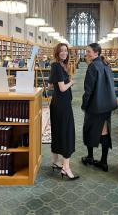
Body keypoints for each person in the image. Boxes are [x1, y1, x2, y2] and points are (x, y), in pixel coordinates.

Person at [81, 43, 118, 172]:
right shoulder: (106, 65)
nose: (87, 54)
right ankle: (103, 161)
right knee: (105, 132)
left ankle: (90, 157)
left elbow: (88, 90)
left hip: (95, 106)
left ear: (96, 52)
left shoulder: (92, 66)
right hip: (107, 105)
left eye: (89, 52)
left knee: (89, 130)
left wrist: (84, 104)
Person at [48, 43, 79, 180]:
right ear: (57, 52)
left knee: (57, 131)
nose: (64, 53)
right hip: (62, 106)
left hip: (57, 104)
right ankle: (66, 167)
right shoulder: (57, 66)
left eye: (66, 51)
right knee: (67, 133)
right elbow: (62, 88)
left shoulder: (57, 66)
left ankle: (55, 161)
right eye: (61, 51)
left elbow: (50, 86)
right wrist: (71, 82)